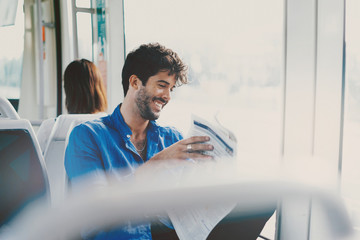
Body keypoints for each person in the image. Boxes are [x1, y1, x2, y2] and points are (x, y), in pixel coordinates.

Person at [65, 43, 273, 239]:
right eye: (162, 85)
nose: (167, 96)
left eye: (171, 89)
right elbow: (93, 214)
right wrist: (157, 164)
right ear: (135, 82)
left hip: (177, 233)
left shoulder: (172, 137)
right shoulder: (87, 136)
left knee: (263, 197)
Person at [37, 59, 108, 154]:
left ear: (68, 91)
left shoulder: (49, 128)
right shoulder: (112, 127)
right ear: (99, 90)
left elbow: (33, 164)